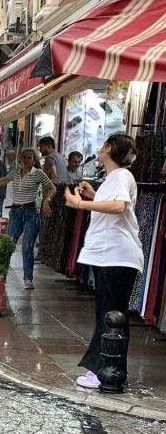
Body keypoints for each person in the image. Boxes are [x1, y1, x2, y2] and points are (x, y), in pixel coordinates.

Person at [64, 134, 143, 390]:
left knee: (109, 314)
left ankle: (104, 371)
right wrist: (94, 195)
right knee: (111, 314)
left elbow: (120, 207)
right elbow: (119, 208)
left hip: (115, 255)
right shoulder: (117, 177)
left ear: (109, 149)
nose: (99, 149)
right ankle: (112, 370)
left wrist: (81, 204)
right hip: (114, 255)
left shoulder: (120, 175)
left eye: (103, 145)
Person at [0, 148, 54, 290]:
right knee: (8, 244)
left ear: (34, 160)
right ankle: (2, 275)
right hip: (16, 212)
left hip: (30, 212)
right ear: (20, 159)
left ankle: (28, 279)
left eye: (29, 158)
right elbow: (2, 181)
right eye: (23, 157)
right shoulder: (15, 172)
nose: (26, 160)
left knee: (27, 246)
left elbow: (52, 187)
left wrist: (47, 200)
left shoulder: (38, 173)